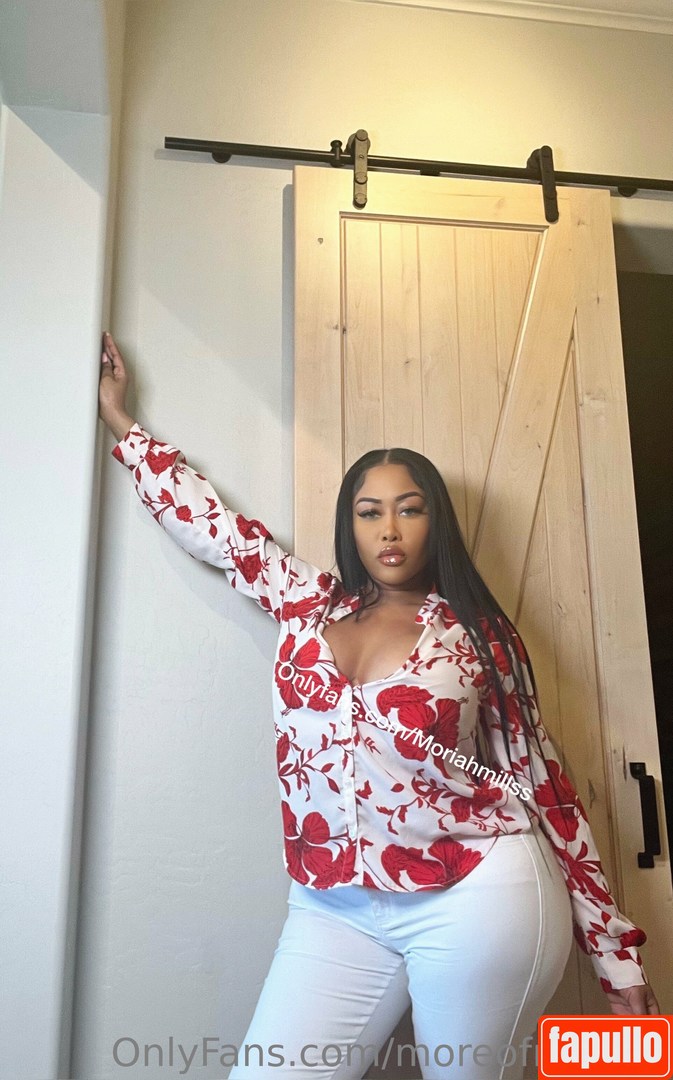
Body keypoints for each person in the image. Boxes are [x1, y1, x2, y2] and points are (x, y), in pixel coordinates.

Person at [99, 331, 659, 1080]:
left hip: (477, 892)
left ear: (435, 522)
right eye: (369, 512)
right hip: (333, 902)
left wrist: (614, 953)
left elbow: (544, 786)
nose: (389, 529)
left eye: (408, 509)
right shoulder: (307, 602)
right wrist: (122, 421)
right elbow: (217, 531)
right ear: (351, 525)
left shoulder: (478, 637)